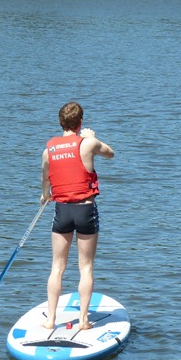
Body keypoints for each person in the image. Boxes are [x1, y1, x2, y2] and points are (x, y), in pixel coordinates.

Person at [41, 102, 114, 330]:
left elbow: (45, 179)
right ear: (80, 123)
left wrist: (45, 195)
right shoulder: (88, 143)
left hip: (62, 211)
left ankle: (50, 320)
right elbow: (110, 153)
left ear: (60, 123)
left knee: (57, 267)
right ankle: (83, 320)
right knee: (86, 267)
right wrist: (93, 137)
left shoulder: (48, 151)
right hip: (85, 210)